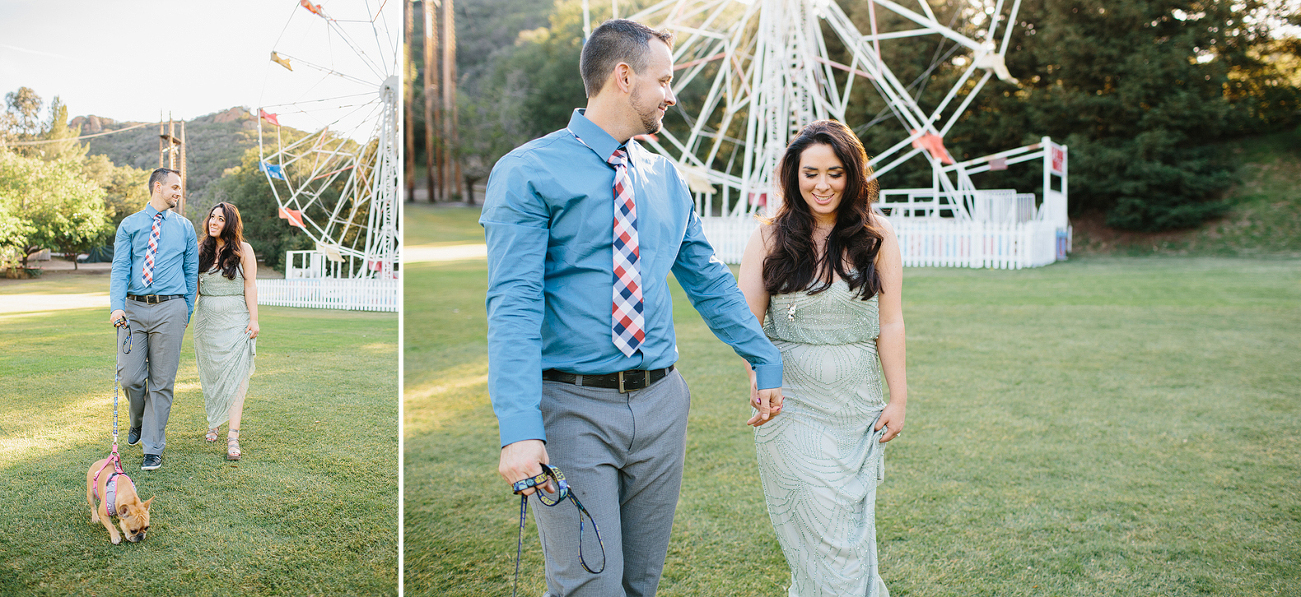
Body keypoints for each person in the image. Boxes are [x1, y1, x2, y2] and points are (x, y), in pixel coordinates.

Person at [482, 18, 785, 597]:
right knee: (590, 586)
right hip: (570, 410)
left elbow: (708, 281)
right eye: (665, 80)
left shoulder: (665, 176)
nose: (672, 95)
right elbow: (513, 305)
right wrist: (519, 428)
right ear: (624, 77)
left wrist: (761, 355)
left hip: (662, 406)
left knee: (639, 585)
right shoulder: (527, 171)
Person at [737, 120, 908, 596]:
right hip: (790, 405)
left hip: (856, 407)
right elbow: (747, 325)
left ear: (852, 175)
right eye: (810, 173)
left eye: (835, 173)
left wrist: (898, 399)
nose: (822, 184)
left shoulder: (877, 236)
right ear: (793, 176)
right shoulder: (769, 239)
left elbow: (889, 322)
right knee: (822, 534)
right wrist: (759, 374)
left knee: (848, 538)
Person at [109, 167, 199, 472]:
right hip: (132, 310)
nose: (178, 192)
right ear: (157, 187)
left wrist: (186, 308)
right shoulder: (130, 224)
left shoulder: (185, 228)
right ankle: (138, 421)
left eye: (180, 188)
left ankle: (153, 447)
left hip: (170, 310)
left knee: (162, 382)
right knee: (131, 377)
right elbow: (120, 267)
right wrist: (116, 306)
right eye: (174, 187)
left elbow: (191, 272)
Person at [193, 202, 258, 461]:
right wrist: (185, 316)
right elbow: (194, 288)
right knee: (213, 375)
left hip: (236, 320)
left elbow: (250, 286)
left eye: (220, 219)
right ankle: (214, 421)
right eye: (211, 217)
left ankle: (233, 435)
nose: (213, 222)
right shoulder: (200, 250)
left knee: (236, 376)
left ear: (230, 223)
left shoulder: (244, 250)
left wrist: (254, 319)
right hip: (207, 322)